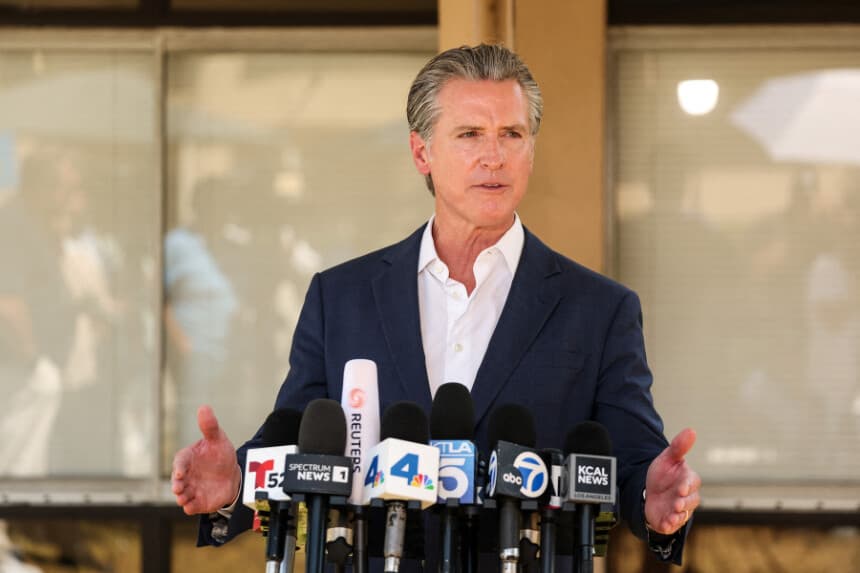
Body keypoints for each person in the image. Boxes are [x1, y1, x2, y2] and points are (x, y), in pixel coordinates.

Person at [172, 44, 701, 567]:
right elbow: (296, 434)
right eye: (470, 134)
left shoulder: (600, 309)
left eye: (512, 134)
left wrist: (652, 501)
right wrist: (235, 484)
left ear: (531, 151)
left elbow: (633, 459)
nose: (494, 155)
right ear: (422, 152)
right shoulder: (342, 297)